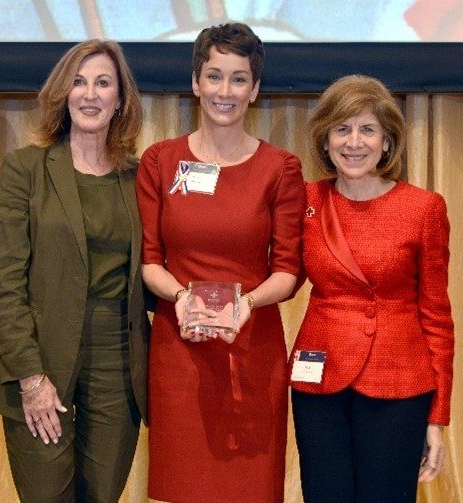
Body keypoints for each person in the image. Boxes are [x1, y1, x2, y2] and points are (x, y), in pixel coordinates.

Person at [136, 22, 305, 502]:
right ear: (195, 82)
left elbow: (288, 271)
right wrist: (184, 298)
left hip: (252, 351)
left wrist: (244, 304)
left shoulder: (281, 168)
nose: (224, 91)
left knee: (250, 489)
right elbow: (150, 260)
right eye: (214, 76)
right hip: (180, 355)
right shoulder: (160, 163)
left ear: (254, 90)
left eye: (238, 78)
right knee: (181, 488)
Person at [0, 39, 149, 502]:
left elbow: (159, 268)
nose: (90, 94)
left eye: (103, 83)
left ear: (120, 100)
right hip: (41, 361)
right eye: (78, 81)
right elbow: (5, 285)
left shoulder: (141, 179)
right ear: (62, 93)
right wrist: (31, 378)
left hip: (118, 363)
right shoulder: (25, 169)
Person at [290, 74, 454, 502]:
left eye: (367, 129)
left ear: (387, 141)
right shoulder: (304, 202)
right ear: (325, 141)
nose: (354, 142)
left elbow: (437, 318)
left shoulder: (424, 208)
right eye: (341, 128)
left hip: (399, 386)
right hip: (317, 383)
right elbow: (277, 273)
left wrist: (437, 419)